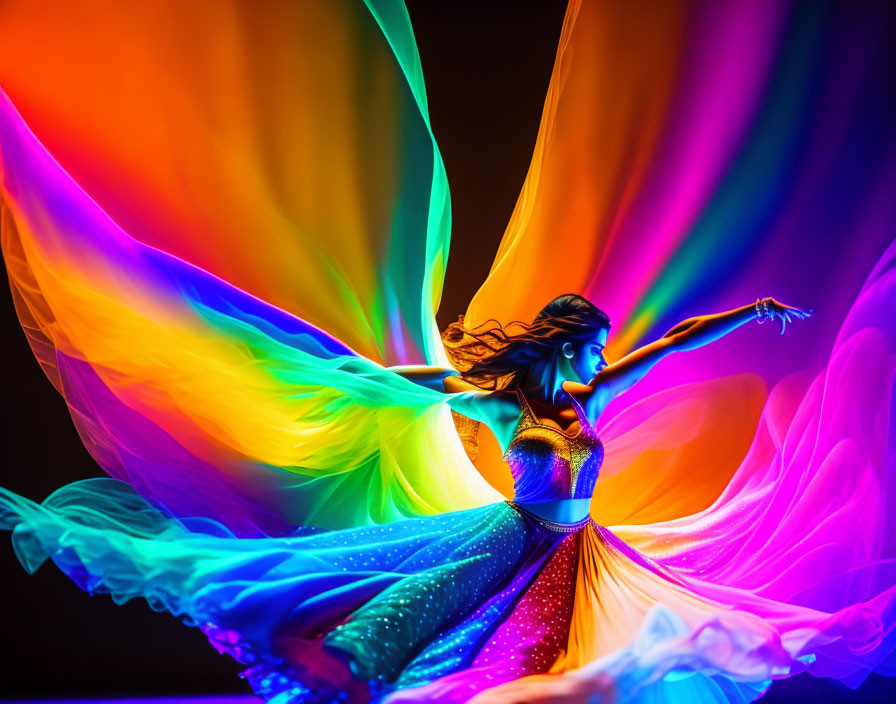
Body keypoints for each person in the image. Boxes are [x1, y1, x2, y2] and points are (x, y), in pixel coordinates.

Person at [2, 293, 828, 704]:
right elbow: (409, 384)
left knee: (554, 659)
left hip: (581, 550)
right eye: (591, 345)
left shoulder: (593, 396)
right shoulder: (502, 404)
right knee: (417, 617)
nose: (598, 359)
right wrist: (334, 374)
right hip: (511, 535)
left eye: (602, 351)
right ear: (566, 339)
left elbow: (671, 341)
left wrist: (752, 313)